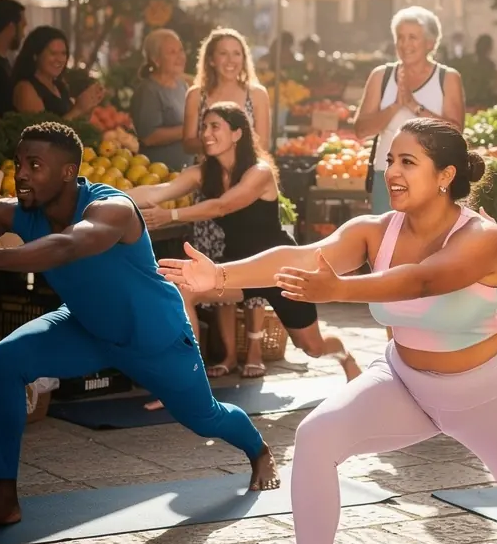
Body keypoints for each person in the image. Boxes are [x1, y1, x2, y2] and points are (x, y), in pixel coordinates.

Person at [159, 118, 497, 544]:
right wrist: (221, 276)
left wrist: (338, 291)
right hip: (406, 382)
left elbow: (421, 281)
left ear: (445, 175)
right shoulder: (375, 230)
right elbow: (299, 257)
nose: (391, 171)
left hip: (491, 393)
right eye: (390, 159)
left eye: (407, 161)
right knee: (315, 437)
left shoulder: (480, 237)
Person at [0, 122, 277, 537]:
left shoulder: (112, 207)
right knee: (7, 359)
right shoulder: (16, 212)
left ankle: (258, 451)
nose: (22, 173)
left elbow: (68, 246)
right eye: (20, 163)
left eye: (35, 164)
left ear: (67, 172)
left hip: (153, 337)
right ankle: (3, 499)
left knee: (204, 418)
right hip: (85, 326)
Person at [130, 102, 360, 391]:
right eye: (204, 127)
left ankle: (346, 357)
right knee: (184, 291)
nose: (207, 133)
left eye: (215, 126)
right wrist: (101, 195)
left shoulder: (259, 172)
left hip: (280, 268)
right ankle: (191, 384)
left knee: (311, 346)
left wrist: (171, 215)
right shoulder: (202, 173)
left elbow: (224, 206)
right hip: (239, 268)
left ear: (237, 133)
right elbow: (156, 191)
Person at [353, 7, 465, 214]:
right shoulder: (381, 76)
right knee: (386, 242)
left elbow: (455, 132)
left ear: (430, 43)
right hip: (387, 176)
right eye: (400, 37)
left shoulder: (447, 78)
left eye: (412, 37)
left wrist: (415, 106)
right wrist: (396, 105)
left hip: (431, 180)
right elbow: (361, 130)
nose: (405, 44)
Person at [183, 29, 270, 155]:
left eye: (236, 54)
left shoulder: (257, 94)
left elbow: (263, 147)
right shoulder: (196, 95)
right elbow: (188, 144)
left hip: (246, 172)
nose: (231, 60)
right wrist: (219, 144)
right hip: (207, 171)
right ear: (211, 60)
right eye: (223, 53)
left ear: (244, 59)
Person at [130, 29, 193, 173]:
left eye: (181, 50)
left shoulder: (182, 85)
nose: (180, 57)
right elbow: (148, 137)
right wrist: (190, 129)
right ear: (156, 59)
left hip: (182, 173)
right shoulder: (148, 91)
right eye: (172, 52)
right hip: (156, 175)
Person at [10, 26, 105, 120]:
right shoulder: (25, 89)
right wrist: (78, 109)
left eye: (63, 53)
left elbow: (74, 123)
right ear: (35, 55)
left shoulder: (59, 86)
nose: (59, 59)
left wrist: (89, 105)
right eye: (53, 53)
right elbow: (42, 133)